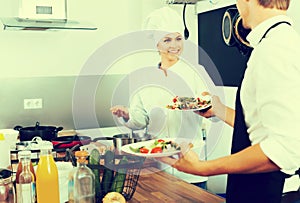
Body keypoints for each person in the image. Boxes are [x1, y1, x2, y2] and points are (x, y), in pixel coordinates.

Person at [158, 0, 300, 202]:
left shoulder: (275, 49)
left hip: (272, 193)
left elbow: (282, 150)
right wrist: (219, 110)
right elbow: (260, 128)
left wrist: (203, 168)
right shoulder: (277, 42)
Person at [110, 6, 208, 189]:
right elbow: (140, 120)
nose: (174, 45)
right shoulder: (143, 78)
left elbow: (211, 109)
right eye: (167, 40)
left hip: (191, 160)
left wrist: (202, 105)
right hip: (159, 163)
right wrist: (126, 115)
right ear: (156, 44)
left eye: (178, 38)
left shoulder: (195, 72)